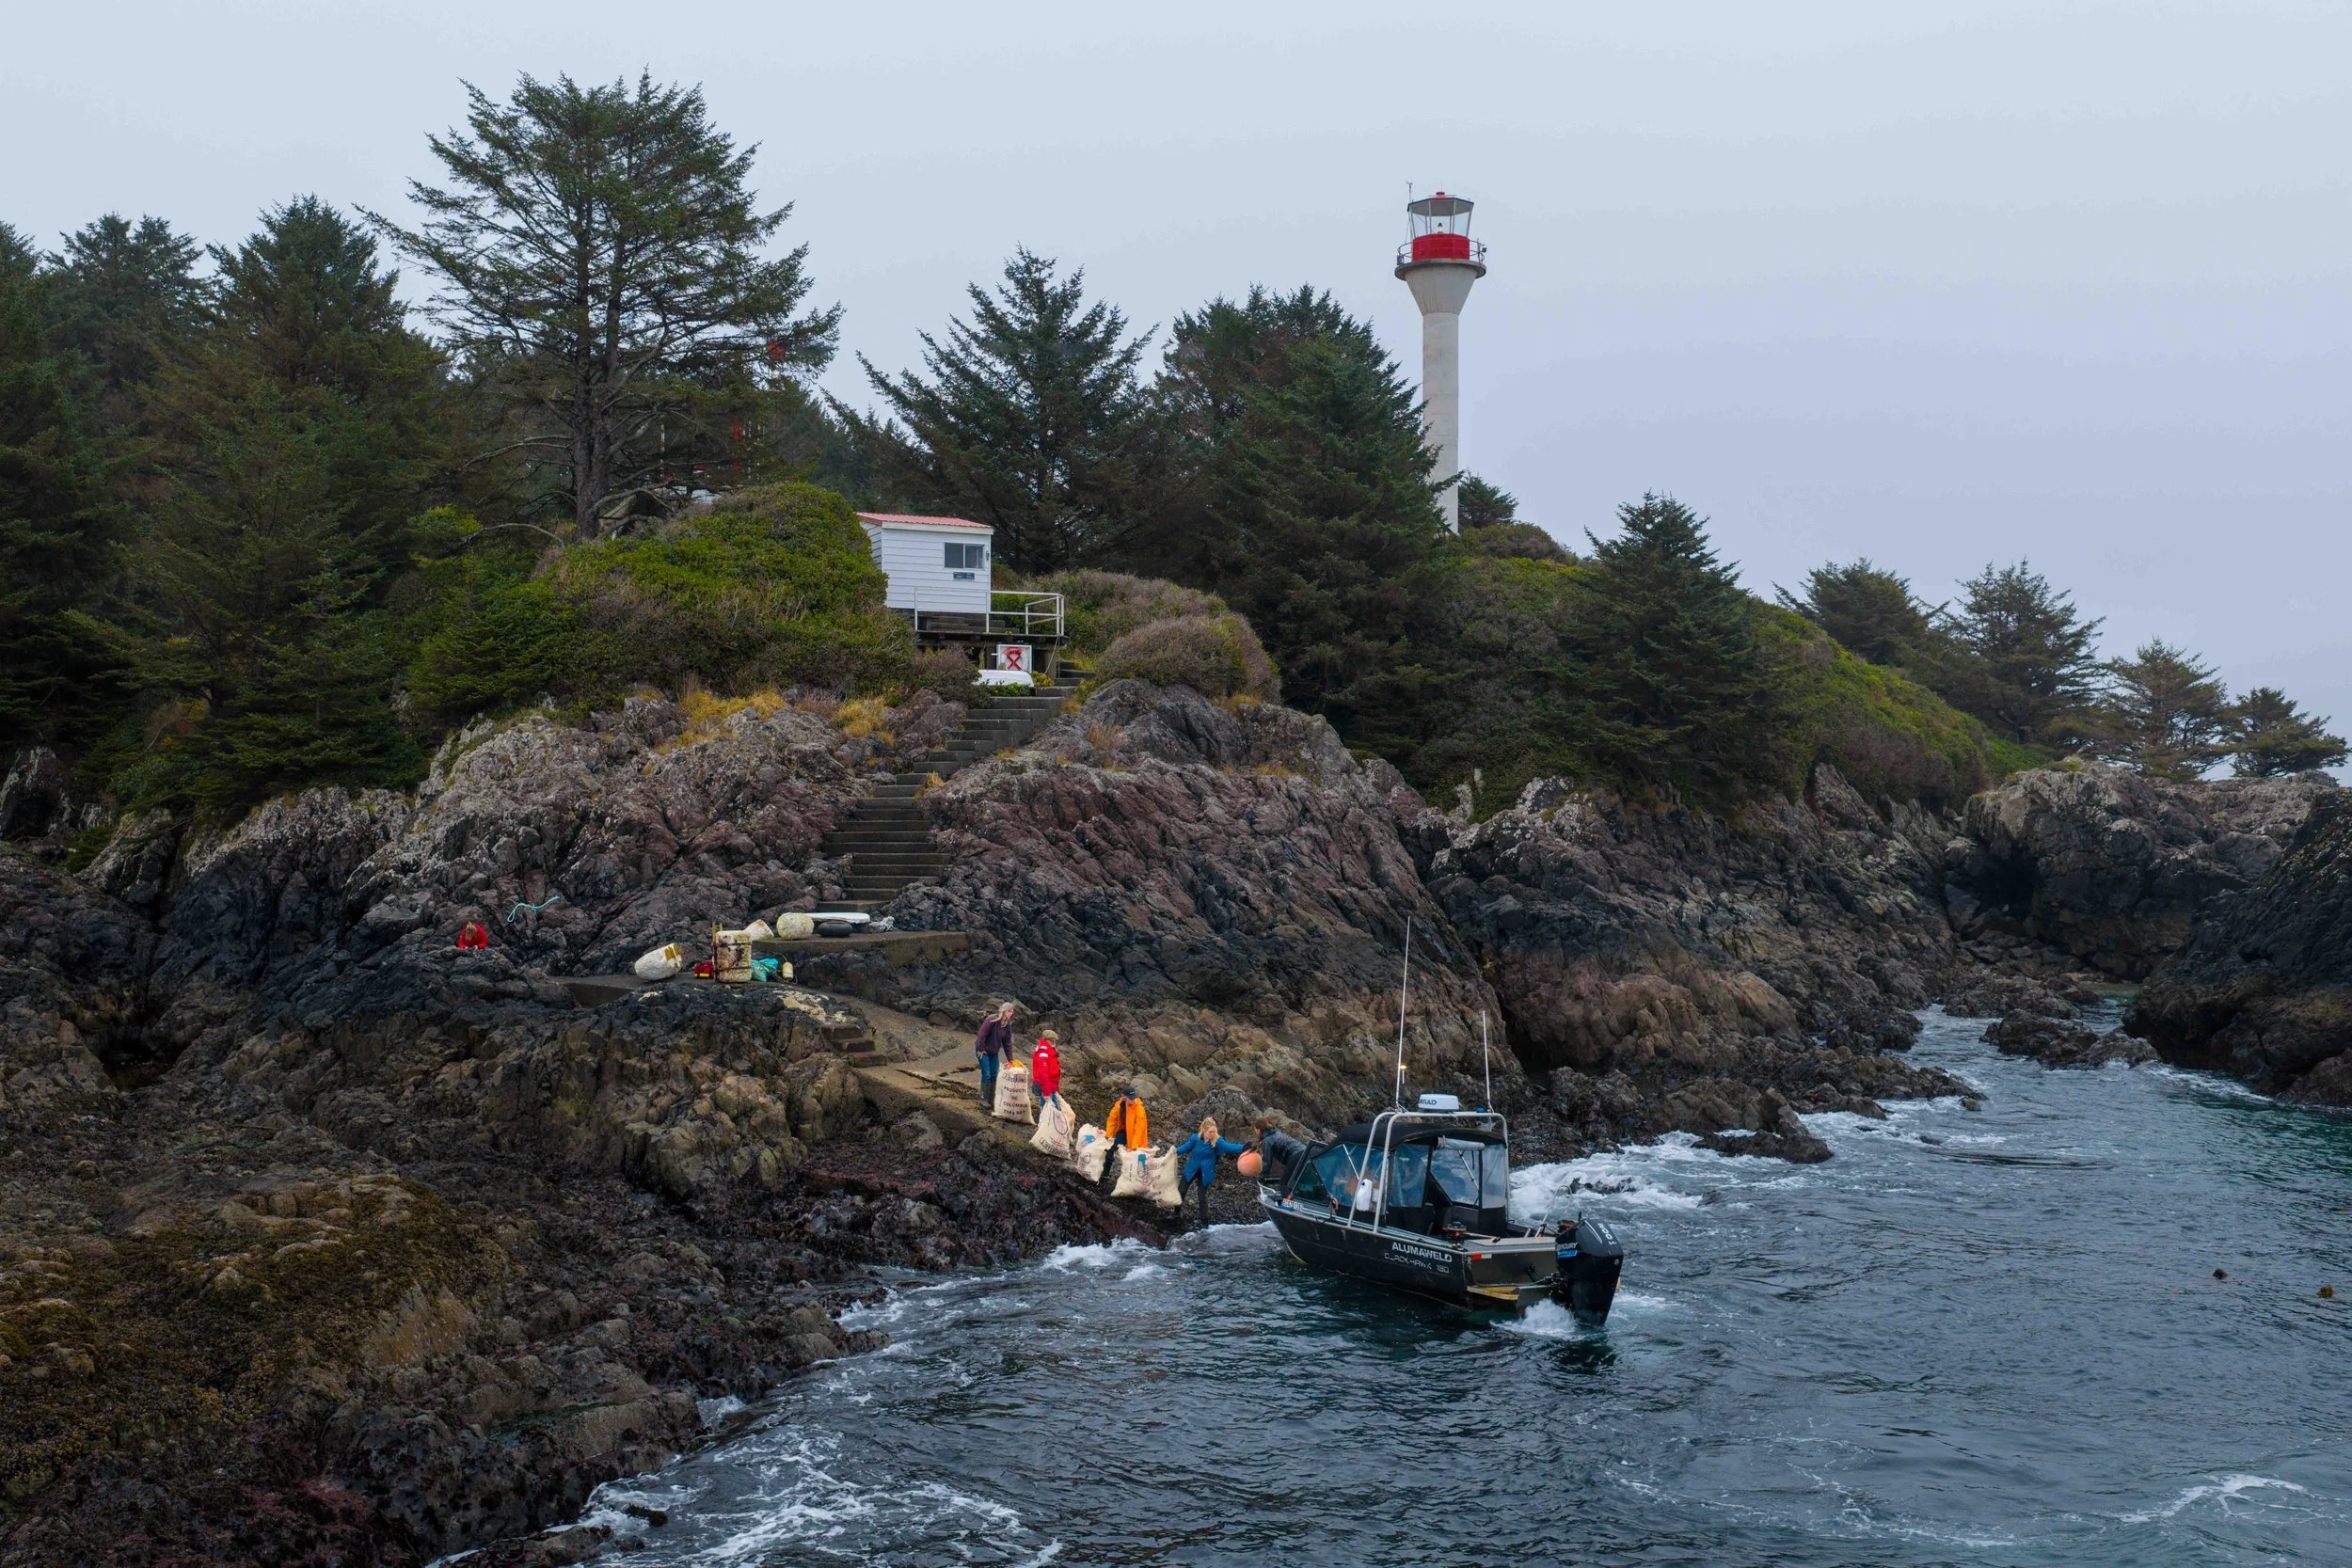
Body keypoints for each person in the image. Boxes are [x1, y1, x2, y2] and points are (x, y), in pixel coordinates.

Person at [1172, 1117, 1248, 1228]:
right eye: (1210, 1132)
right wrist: (1174, 1151)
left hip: (1205, 1173)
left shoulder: (1217, 1141)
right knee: (1181, 1191)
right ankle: (1175, 1214)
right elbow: (1186, 1148)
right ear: (1204, 1130)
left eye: (1214, 1131)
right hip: (1191, 1169)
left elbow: (1229, 1147)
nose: (1212, 1134)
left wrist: (1244, 1148)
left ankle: (1205, 1224)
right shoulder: (1195, 1138)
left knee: (1202, 1197)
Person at [1100, 1086, 1150, 1190]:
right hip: (1124, 1132)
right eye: (1130, 1098)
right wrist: (1108, 1136)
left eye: (1134, 1097)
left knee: (1136, 1159)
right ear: (1124, 1097)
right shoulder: (1119, 1105)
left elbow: (1139, 1128)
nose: (1133, 1099)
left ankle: (1136, 1183)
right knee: (1110, 1148)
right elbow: (1112, 1120)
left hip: (1136, 1136)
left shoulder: (1139, 1108)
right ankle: (1105, 1173)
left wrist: (1134, 1146)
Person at [974, 1001, 1015, 1107]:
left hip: (994, 1052)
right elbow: (982, 1034)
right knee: (986, 1074)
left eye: (1012, 1011)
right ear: (1004, 1011)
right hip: (983, 1050)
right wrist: (981, 1049)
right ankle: (983, 1099)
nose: (1012, 1013)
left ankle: (991, 1099)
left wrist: (1011, 1060)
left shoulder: (1007, 1025)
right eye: (1010, 1011)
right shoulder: (992, 1019)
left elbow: (1007, 1043)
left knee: (994, 1074)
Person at [1030, 1030, 1064, 1113]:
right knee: (1048, 1108)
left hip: (1050, 1084)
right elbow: (1043, 1074)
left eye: (1055, 1041)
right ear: (1046, 1040)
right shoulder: (1043, 1052)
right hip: (1045, 1085)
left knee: (1054, 1108)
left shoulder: (1048, 1049)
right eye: (1052, 1041)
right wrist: (1046, 1092)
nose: (1054, 1043)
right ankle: (1044, 1123)